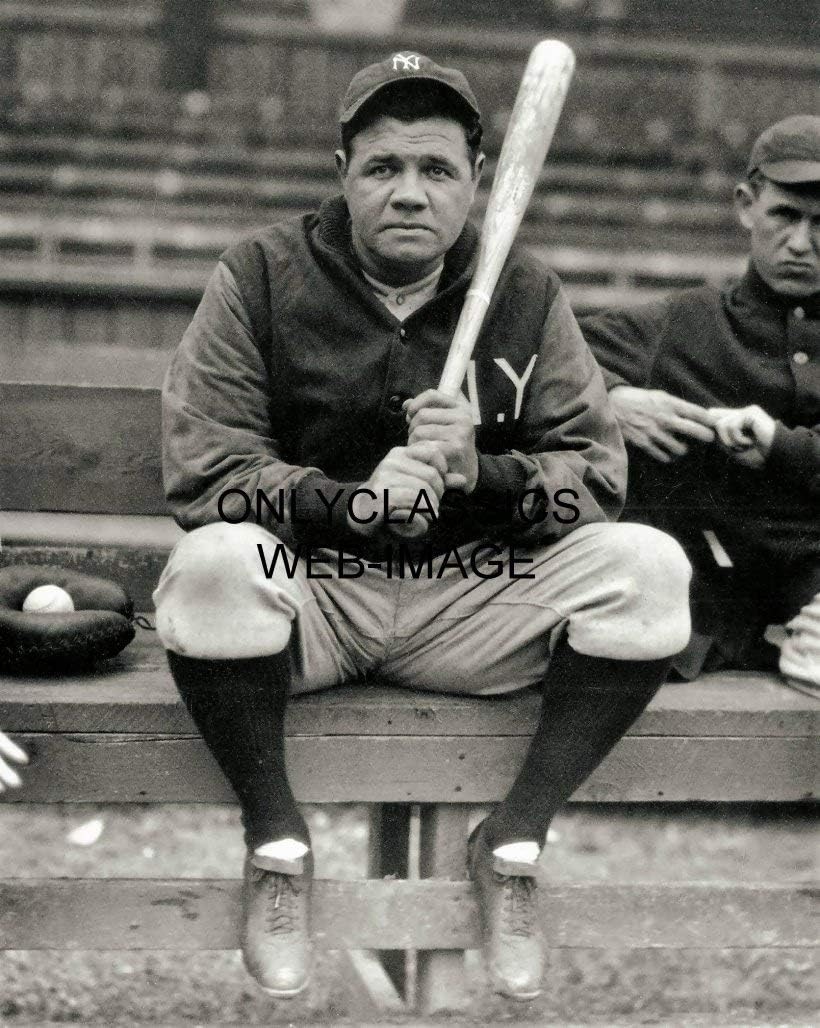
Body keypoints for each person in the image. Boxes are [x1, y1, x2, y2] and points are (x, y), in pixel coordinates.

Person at [153, 52, 691, 1001]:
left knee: (649, 568)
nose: (410, 192)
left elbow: (597, 482)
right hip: (314, 599)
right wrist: (352, 502)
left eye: (437, 169)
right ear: (343, 174)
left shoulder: (525, 291)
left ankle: (513, 843)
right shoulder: (262, 274)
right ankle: (277, 843)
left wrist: (481, 476)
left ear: (476, 180)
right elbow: (207, 475)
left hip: (474, 601)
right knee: (213, 564)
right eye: (383, 167)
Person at [581, 114, 819, 689]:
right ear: (746, 206)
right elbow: (540, 354)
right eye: (785, 215)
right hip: (710, 601)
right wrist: (615, 398)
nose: (801, 244)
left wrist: (780, 446)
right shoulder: (685, 322)